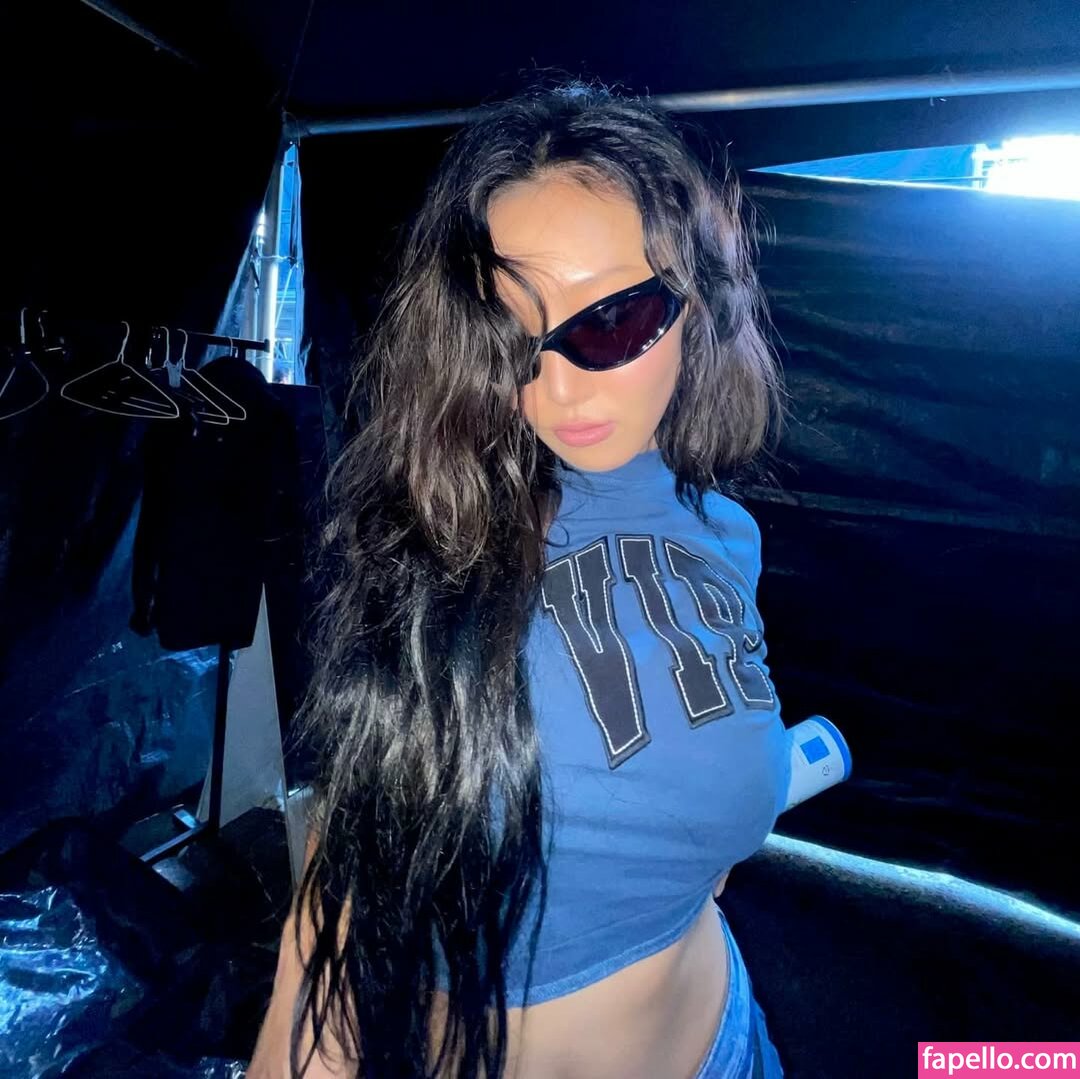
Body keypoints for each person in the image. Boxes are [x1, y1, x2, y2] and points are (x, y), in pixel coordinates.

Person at [248, 78, 789, 1079]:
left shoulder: (726, 533)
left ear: (701, 299)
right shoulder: (441, 552)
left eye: (612, 321)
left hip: (728, 1040)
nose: (559, 387)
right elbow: (343, 885)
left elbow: (707, 772)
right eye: (511, 343)